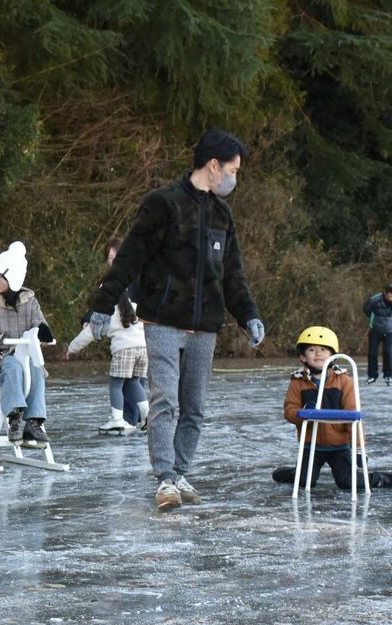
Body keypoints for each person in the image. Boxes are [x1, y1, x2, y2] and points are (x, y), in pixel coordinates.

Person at [87, 129, 265, 510]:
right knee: (165, 400)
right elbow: (130, 257)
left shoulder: (222, 214)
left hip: (205, 327)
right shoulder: (162, 203)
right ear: (214, 166)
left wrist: (248, 314)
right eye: (234, 170)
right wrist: (103, 305)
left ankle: (181, 473)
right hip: (164, 321)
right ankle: (165, 480)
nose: (236, 178)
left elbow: (232, 275)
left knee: (194, 406)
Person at [271, 327, 392, 491]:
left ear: (333, 355)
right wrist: (303, 412)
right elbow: (289, 411)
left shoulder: (344, 382)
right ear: (303, 356)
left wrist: (358, 448)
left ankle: (380, 479)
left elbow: (354, 417)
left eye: (323, 350)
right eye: (312, 350)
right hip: (311, 445)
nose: (318, 354)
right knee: (305, 481)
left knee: (347, 482)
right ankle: (296, 473)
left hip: (339, 446)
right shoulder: (298, 382)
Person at [0, 241, 55, 449]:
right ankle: (14, 418)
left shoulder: (29, 301)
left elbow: (39, 321)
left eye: (2, 276)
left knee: (35, 367)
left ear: (14, 277)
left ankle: (33, 422)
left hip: (23, 355)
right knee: (13, 366)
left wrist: (43, 329)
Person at [66, 290, 149, 435]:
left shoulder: (106, 313)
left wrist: (71, 348)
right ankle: (147, 416)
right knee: (134, 382)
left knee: (116, 385)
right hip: (143, 350)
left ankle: (117, 420)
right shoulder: (136, 307)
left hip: (124, 350)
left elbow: (89, 333)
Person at [362, 283, 392, 385]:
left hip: (390, 330)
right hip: (376, 329)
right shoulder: (375, 299)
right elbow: (366, 309)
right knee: (372, 353)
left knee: (388, 352)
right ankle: (372, 375)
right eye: (390, 295)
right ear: (385, 293)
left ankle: (388, 375)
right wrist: (374, 319)